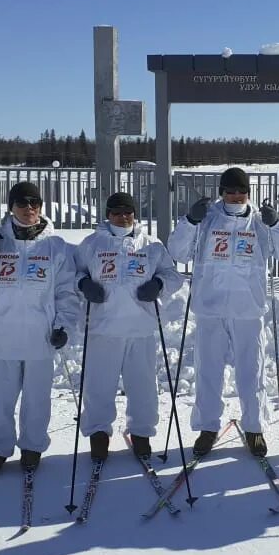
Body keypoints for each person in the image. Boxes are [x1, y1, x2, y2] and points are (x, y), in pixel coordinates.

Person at [167, 167, 279, 457]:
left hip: (248, 309)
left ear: (248, 192)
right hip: (211, 308)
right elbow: (176, 252)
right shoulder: (207, 219)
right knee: (209, 370)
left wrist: (277, 225)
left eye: (240, 191)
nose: (236, 196)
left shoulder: (260, 221)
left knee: (251, 371)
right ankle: (208, 426)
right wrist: (190, 221)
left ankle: (254, 428)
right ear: (222, 193)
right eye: (230, 191)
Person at [0, 181, 79, 473]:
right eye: (22, 203)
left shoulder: (56, 246)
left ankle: (32, 445)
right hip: (2, 334)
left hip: (40, 336)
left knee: (37, 397)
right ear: (11, 207)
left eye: (35, 203)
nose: (29, 208)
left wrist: (63, 325)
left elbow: (66, 291)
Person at [74, 192, 184, 461]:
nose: (122, 217)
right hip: (104, 327)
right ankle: (99, 433)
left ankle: (142, 432)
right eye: (116, 212)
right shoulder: (91, 244)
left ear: (135, 214)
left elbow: (173, 276)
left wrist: (158, 285)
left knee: (143, 384)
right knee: (99, 384)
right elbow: (73, 273)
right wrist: (83, 285)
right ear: (107, 215)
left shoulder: (152, 245)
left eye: (128, 212)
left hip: (141, 327)